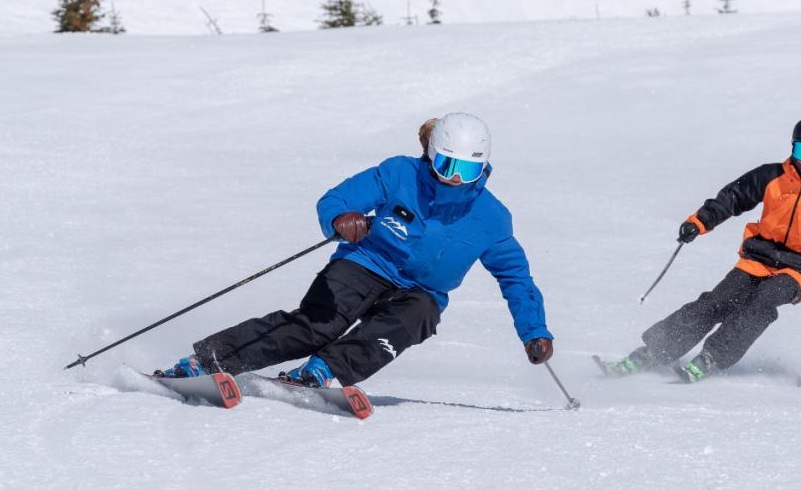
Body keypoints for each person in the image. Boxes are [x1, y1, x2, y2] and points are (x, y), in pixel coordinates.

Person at [156, 112, 555, 388]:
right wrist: (341, 219)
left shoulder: (492, 218)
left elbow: (516, 279)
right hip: (366, 262)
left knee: (410, 319)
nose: (453, 178)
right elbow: (336, 199)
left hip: (423, 291)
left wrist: (533, 331)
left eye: (466, 171)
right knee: (316, 324)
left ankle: (323, 372)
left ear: (482, 168)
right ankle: (206, 361)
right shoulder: (399, 173)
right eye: (446, 165)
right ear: (431, 156)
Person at [604, 115, 801, 383]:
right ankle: (657, 350)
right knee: (718, 300)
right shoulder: (773, 177)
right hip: (759, 257)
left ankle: (713, 356)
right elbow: (733, 197)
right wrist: (700, 221)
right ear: (792, 148)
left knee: (761, 302)